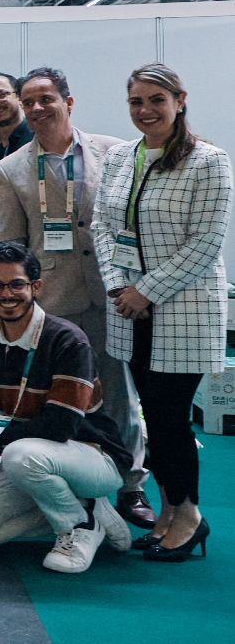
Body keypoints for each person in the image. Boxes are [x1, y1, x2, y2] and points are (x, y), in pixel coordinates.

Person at [0, 66, 150, 529]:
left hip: (111, 294)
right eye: (30, 102)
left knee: (118, 391)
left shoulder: (116, 153)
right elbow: (13, 248)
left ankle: (131, 483)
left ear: (68, 101)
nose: (38, 109)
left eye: (47, 99)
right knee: (61, 397)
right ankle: (72, 483)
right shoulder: (10, 169)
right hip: (54, 304)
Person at [91, 64, 230, 561]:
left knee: (171, 419)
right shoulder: (120, 158)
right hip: (129, 311)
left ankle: (188, 515)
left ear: (180, 100)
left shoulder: (209, 161)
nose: (146, 111)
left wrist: (146, 291)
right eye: (136, 102)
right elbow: (102, 227)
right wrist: (117, 285)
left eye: (156, 100)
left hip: (182, 310)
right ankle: (170, 511)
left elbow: (206, 243)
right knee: (155, 415)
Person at [0, 241, 132, 574]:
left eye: (16, 284)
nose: (7, 294)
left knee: (19, 454)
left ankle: (80, 524)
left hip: (92, 454)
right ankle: (80, 511)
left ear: (36, 286)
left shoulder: (67, 340)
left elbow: (61, 427)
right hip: (32, 456)